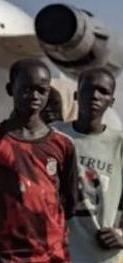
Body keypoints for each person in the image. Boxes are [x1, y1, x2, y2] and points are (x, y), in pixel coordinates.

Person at [0, 58, 77, 261]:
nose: (34, 96)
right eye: (26, 88)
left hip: (53, 255)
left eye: (41, 90)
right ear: (10, 89)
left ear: (48, 93)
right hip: (8, 254)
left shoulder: (63, 145)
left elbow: (70, 203)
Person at [54, 67, 123, 263]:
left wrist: (121, 234)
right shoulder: (55, 137)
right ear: (76, 95)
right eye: (88, 89)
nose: (95, 96)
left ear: (112, 101)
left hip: (101, 256)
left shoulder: (119, 144)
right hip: (59, 253)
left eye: (103, 91)